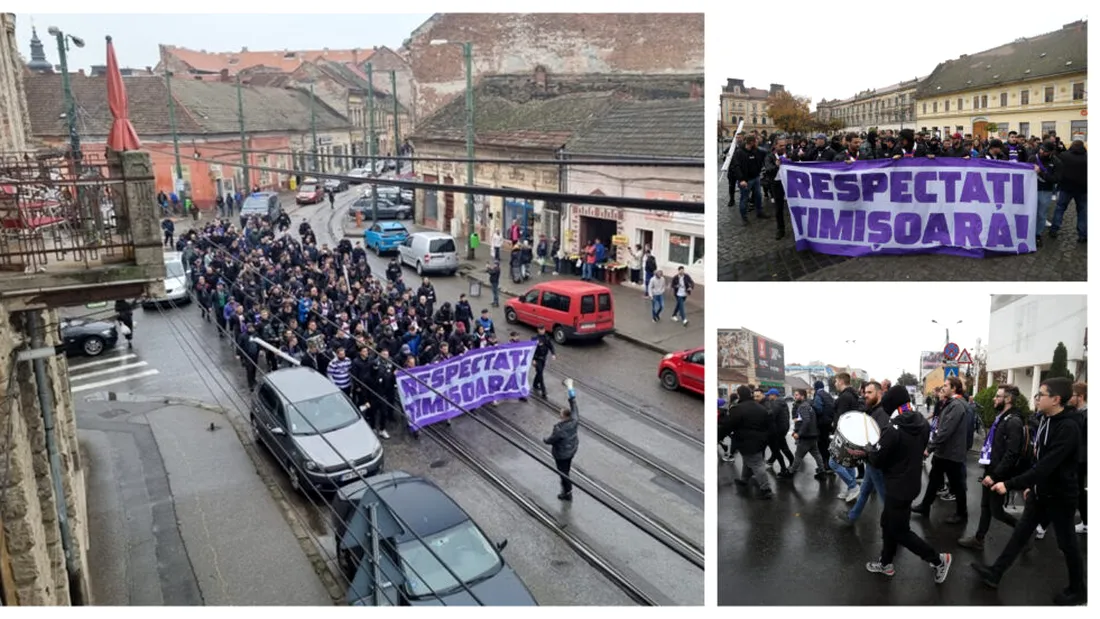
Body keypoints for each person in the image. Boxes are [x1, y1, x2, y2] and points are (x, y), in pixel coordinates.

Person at [974, 378, 1086, 606]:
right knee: (1020, 534)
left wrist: (1010, 483)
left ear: (1056, 400)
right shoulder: (1045, 419)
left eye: (1041, 395)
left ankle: (1078, 589)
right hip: (1040, 492)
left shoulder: (1069, 427)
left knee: (1067, 544)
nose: (1036, 398)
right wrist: (1030, 486)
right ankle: (995, 574)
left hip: (1061, 496)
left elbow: (1048, 465)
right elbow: (1036, 458)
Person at [861, 385, 952, 584]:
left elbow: (877, 459)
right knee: (887, 522)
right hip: (911, 483)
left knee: (900, 531)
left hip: (897, 487)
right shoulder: (921, 421)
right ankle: (886, 563)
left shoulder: (894, 428)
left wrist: (867, 450)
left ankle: (938, 560)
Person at [958, 384, 1027, 549]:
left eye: (997, 396)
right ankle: (979, 539)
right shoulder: (1001, 418)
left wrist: (995, 476)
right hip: (991, 469)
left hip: (999, 474)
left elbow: (1012, 453)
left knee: (996, 511)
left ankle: (1025, 533)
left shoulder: (1013, 422)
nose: (993, 399)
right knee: (985, 506)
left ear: (1008, 399)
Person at [913, 377, 970, 524]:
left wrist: (930, 447)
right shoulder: (950, 403)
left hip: (952, 453)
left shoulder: (956, 406)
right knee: (934, 479)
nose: (942, 388)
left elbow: (945, 431)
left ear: (954, 388)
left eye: (945, 385)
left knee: (957, 485)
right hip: (944, 452)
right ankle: (925, 506)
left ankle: (962, 514)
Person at [719, 385, 774, 499]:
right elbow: (769, 425)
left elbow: (728, 426)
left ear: (739, 395)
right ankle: (744, 480)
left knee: (757, 465)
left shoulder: (737, 409)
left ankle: (766, 489)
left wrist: (718, 436)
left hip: (746, 441)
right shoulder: (760, 408)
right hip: (760, 441)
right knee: (748, 461)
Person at [544, 377, 580, 501]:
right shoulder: (575, 419)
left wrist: (545, 439)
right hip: (572, 449)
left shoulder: (560, 430)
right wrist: (570, 387)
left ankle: (567, 492)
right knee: (567, 468)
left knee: (563, 473)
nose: (559, 415)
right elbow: (573, 401)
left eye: (560, 413)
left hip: (561, 454)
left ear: (564, 417)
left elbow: (551, 440)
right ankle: (567, 489)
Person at [530, 325, 556, 399]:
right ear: (538, 330)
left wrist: (553, 354)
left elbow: (551, 346)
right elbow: (532, 350)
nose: (542, 331)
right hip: (537, 359)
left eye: (543, 329)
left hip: (543, 359)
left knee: (539, 372)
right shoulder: (534, 338)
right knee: (540, 374)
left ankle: (535, 384)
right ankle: (544, 391)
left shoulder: (546, 337)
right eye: (540, 329)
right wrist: (533, 359)